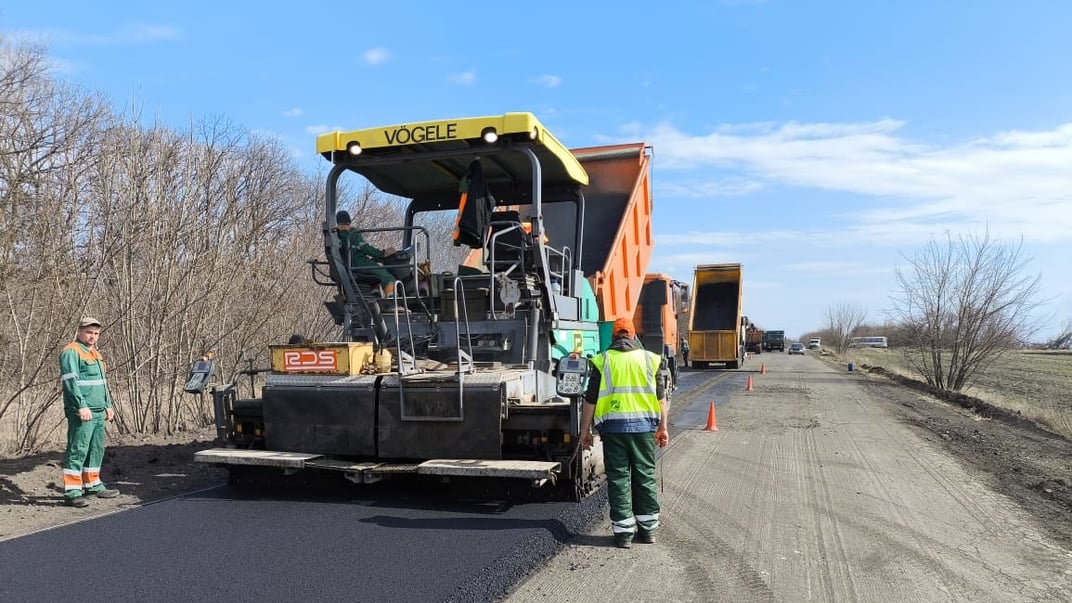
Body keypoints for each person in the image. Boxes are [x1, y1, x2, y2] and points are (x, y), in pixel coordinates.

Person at [579, 317, 670, 548]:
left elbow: (590, 400)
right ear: (633, 336)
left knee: (619, 479)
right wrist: (663, 427)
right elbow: (661, 399)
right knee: (644, 476)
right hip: (643, 429)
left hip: (613, 430)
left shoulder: (603, 360)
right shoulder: (650, 359)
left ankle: (623, 534)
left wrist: (584, 431)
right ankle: (648, 531)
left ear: (613, 337)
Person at [59, 317, 119, 507]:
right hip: (82, 411)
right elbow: (71, 382)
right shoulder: (71, 351)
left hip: (99, 410)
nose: (93, 336)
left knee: (96, 449)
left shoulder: (95, 353)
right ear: (79, 332)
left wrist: (108, 405)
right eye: (89, 332)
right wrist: (81, 406)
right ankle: (72, 492)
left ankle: (93, 484)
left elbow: (102, 383)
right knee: (78, 449)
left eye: (96, 333)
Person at [335, 210, 397, 296]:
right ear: (348, 220)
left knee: (375, 273)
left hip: (347, 265)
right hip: (359, 263)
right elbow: (364, 248)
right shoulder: (352, 232)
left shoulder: (335, 234)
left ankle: (375, 295)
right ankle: (392, 300)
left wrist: (377, 258)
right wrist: (382, 254)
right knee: (387, 277)